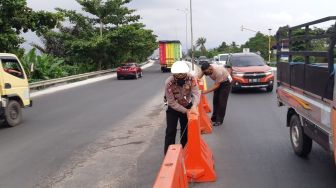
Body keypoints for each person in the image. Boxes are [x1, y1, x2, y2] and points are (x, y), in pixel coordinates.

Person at [164, 61, 200, 154]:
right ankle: (168, 154)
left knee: (186, 130)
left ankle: (185, 152)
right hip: (174, 108)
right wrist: (185, 111)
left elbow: (196, 93)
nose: (180, 76)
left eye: (182, 74)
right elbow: (171, 102)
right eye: (177, 74)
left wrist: (194, 106)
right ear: (173, 73)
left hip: (187, 105)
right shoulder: (169, 82)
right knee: (170, 131)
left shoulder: (191, 79)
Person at [199, 62, 231, 126]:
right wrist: (196, 79)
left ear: (210, 68)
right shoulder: (206, 69)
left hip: (225, 83)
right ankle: (214, 118)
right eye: (205, 72)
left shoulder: (218, 72)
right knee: (215, 100)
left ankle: (219, 120)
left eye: (207, 72)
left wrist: (206, 91)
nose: (207, 74)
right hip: (218, 81)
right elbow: (201, 74)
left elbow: (216, 85)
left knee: (221, 101)